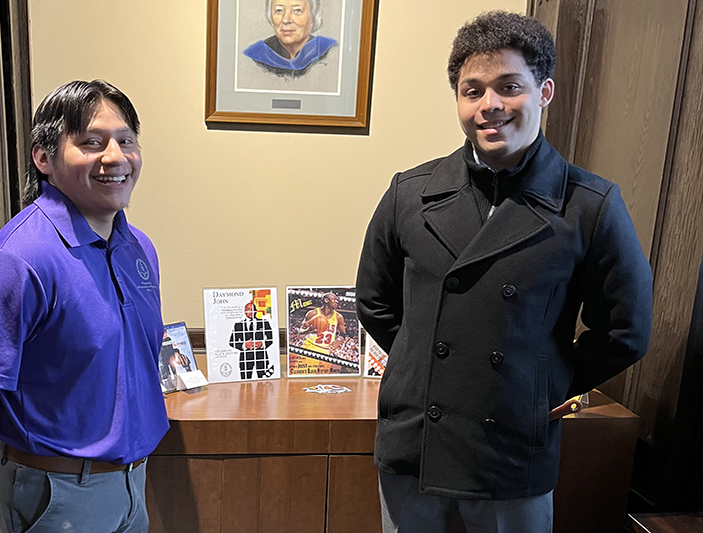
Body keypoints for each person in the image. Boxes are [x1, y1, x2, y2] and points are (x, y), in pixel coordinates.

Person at [356, 11, 653, 533]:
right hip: (416, 440)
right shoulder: (410, 191)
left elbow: (626, 330)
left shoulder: (590, 204)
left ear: (544, 92)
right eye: (472, 91)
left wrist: (541, 381)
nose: (489, 105)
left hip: (511, 445)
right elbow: (374, 300)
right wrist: (424, 363)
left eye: (509, 86)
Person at [0, 80, 168, 533]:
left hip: (131, 485)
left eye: (126, 140)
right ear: (45, 158)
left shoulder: (138, 248)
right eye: (91, 143)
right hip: (56, 493)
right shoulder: (22, 258)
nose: (115, 156)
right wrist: (27, 430)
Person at [243, 0, 337, 77]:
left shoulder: (330, 51)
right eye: (279, 11)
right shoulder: (256, 54)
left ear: (313, 17)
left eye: (297, 10)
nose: (286, 20)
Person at [229, 301, 275, 379]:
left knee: (263, 382)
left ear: (256, 311)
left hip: (261, 356)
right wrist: (244, 345)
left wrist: (262, 343)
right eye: (248, 309)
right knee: (245, 382)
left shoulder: (264, 323)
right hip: (245, 357)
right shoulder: (238, 325)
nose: (250, 311)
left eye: (253, 309)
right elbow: (232, 341)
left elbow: (270, 339)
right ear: (244, 311)